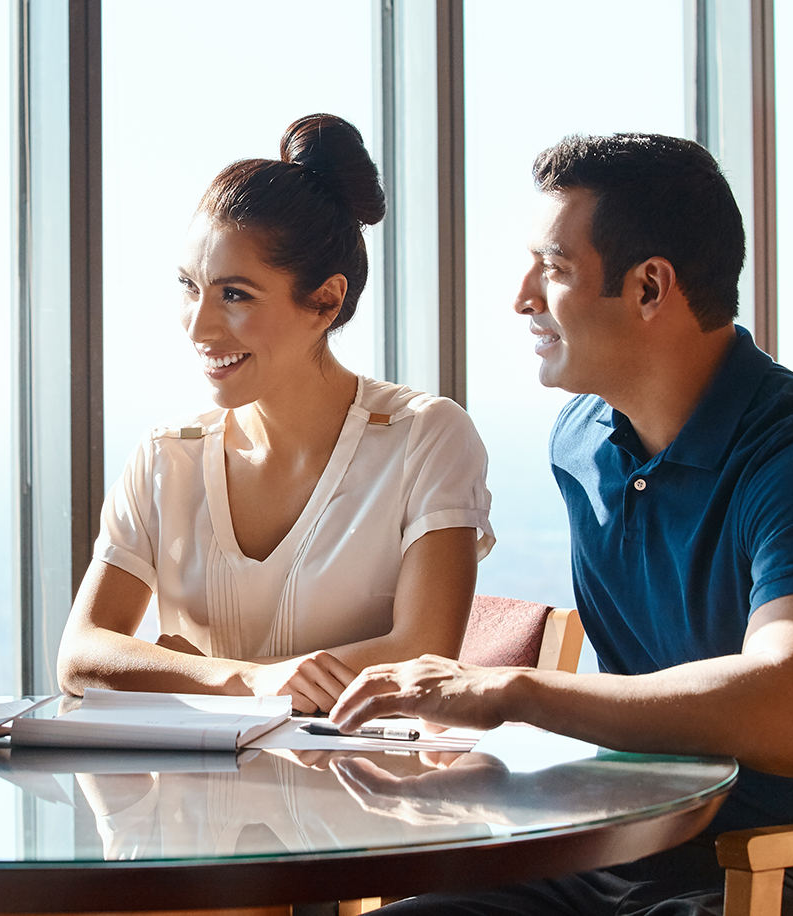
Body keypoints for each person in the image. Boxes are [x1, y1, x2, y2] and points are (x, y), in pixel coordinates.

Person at [330, 133, 793, 915]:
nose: (522, 297)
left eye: (552, 269)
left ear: (651, 287)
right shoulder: (581, 440)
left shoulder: (789, 453)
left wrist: (515, 691)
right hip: (616, 844)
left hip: (766, 870)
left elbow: (788, 702)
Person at [58, 114, 494, 714]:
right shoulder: (166, 456)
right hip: (190, 801)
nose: (199, 325)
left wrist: (185, 670)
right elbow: (81, 656)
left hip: (361, 793)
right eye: (190, 286)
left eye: (235, 295)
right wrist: (250, 682)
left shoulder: (425, 438)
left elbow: (421, 654)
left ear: (326, 300)